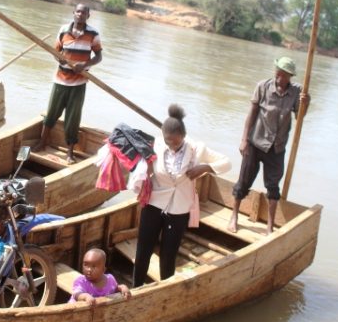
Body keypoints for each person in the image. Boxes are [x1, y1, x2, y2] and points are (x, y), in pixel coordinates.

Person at [129, 104, 231, 285]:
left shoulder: (197, 149)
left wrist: (205, 167)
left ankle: (166, 289)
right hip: (153, 204)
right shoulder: (156, 144)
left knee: (169, 254)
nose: (172, 145)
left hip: (178, 210)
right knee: (143, 250)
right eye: (168, 141)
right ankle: (137, 286)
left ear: (183, 136)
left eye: (175, 142)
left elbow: (226, 163)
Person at [228, 57, 310, 235]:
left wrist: (306, 102)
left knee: (273, 187)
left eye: (285, 75)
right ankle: (234, 215)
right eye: (279, 73)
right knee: (243, 181)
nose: (281, 77)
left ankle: (270, 226)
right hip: (256, 143)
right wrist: (244, 140)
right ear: (276, 72)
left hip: (277, 147)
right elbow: (251, 114)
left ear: (290, 77)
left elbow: (300, 116)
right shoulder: (263, 87)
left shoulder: (297, 92)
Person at [33, 3, 102, 164]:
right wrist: (59, 57)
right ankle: (43, 142)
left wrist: (83, 65)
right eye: (78, 11)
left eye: (84, 12)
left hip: (79, 83)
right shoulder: (64, 30)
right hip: (60, 79)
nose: (80, 14)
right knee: (51, 112)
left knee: (73, 117)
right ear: (73, 13)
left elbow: (98, 57)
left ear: (88, 16)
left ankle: (70, 153)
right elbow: (55, 51)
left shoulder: (93, 33)